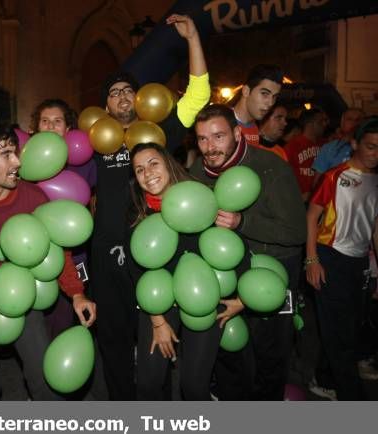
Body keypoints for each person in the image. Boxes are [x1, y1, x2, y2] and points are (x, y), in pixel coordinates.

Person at [91, 14, 210, 400]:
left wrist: (192, 38)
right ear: (105, 106)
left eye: (129, 90)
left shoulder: (158, 136)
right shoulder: (93, 143)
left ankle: (156, 407)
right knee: (113, 341)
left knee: (154, 340)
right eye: (114, 92)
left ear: (140, 99)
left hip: (152, 258)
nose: (123, 96)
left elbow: (196, 96)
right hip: (106, 260)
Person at [0, 122, 96, 400]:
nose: (18, 161)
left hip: (23, 300)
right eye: (6, 154)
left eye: (15, 152)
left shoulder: (33, 198)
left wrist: (77, 293)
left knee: (44, 381)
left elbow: (57, 251)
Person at [190, 104, 307, 400]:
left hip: (272, 274)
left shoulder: (270, 168)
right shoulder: (196, 172)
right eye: (202, 139)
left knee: (271, 359)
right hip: (226, 274)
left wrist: (243, 222)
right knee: (232, 357)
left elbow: (296, 233)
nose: (209, 147)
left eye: (218, 137)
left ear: (237, 133)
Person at [127, 142, 230, 400]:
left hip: (202, 296)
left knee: (194, 387)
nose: (147, 173)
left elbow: (228, 246)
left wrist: (241, 299)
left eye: (153, 164)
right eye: (139, 170)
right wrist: (158, 321)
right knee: (148, 384)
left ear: (168, 163)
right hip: (159, 304)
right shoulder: (137, 212)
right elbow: (138, 270)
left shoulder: (199, 197)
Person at [305, 117, 378, 400]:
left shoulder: (376, 180)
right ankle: (354, 399)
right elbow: (311, 216)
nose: (375, 154)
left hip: (358, 262)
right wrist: (312, 261)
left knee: (347, 326)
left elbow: (374, 230)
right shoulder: (335, 175)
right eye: (370, 146)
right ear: (355, 144)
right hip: (330, 256)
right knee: (343, 335)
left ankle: (323, 379)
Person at [29, 98, 97, 338]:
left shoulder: (84, 160)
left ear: (68, 128)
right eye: (44, 121)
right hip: (34, 252)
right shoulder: (24, 163)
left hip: (75, 251)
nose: (50, 126)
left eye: (57, 122)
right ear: (36, 128)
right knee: (37, 320)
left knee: (66, 315)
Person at [232, 64, 283, 150]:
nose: (270, 103)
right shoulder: (223, 123)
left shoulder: (255, 128)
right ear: (246, 91)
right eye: (264, 94)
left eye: (274, 97)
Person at [311, 108, 365, 188]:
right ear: (342, 123)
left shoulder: (370, 148)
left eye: (358, 120)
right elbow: (317, 183)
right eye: (349, 119)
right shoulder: (328, 148)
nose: (354, 123)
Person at [285, 107, 329, 201]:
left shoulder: (326, 145)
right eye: (321, 121)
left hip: (321, 199)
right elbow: (285, 175)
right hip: (300, 200)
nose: (325, 124)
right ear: (310, 124)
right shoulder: (292, 145)